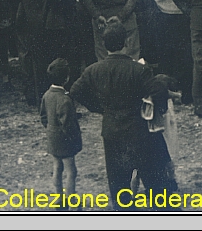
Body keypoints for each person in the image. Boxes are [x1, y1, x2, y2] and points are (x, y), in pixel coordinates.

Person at [69, 19, 171, 202]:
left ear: (104, 44)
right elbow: (159, 90)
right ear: (126, 42)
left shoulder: (94, 70)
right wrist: (157, 110)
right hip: (139, 131)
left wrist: (98, 108)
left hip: (112, 131)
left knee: (119, 186)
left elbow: (76, 91)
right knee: (154, 183)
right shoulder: (138, 70)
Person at [40, 58, 81, 206]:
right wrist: (75, 138)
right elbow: (69, 124)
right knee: (71, 171)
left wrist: (51, 129)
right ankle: (72, 199)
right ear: (67, 78)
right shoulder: (65, 99)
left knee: (57, 167)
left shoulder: (46, 95)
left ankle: (58, 197)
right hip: (65, 141)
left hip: (52, 138)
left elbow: (43, 117)